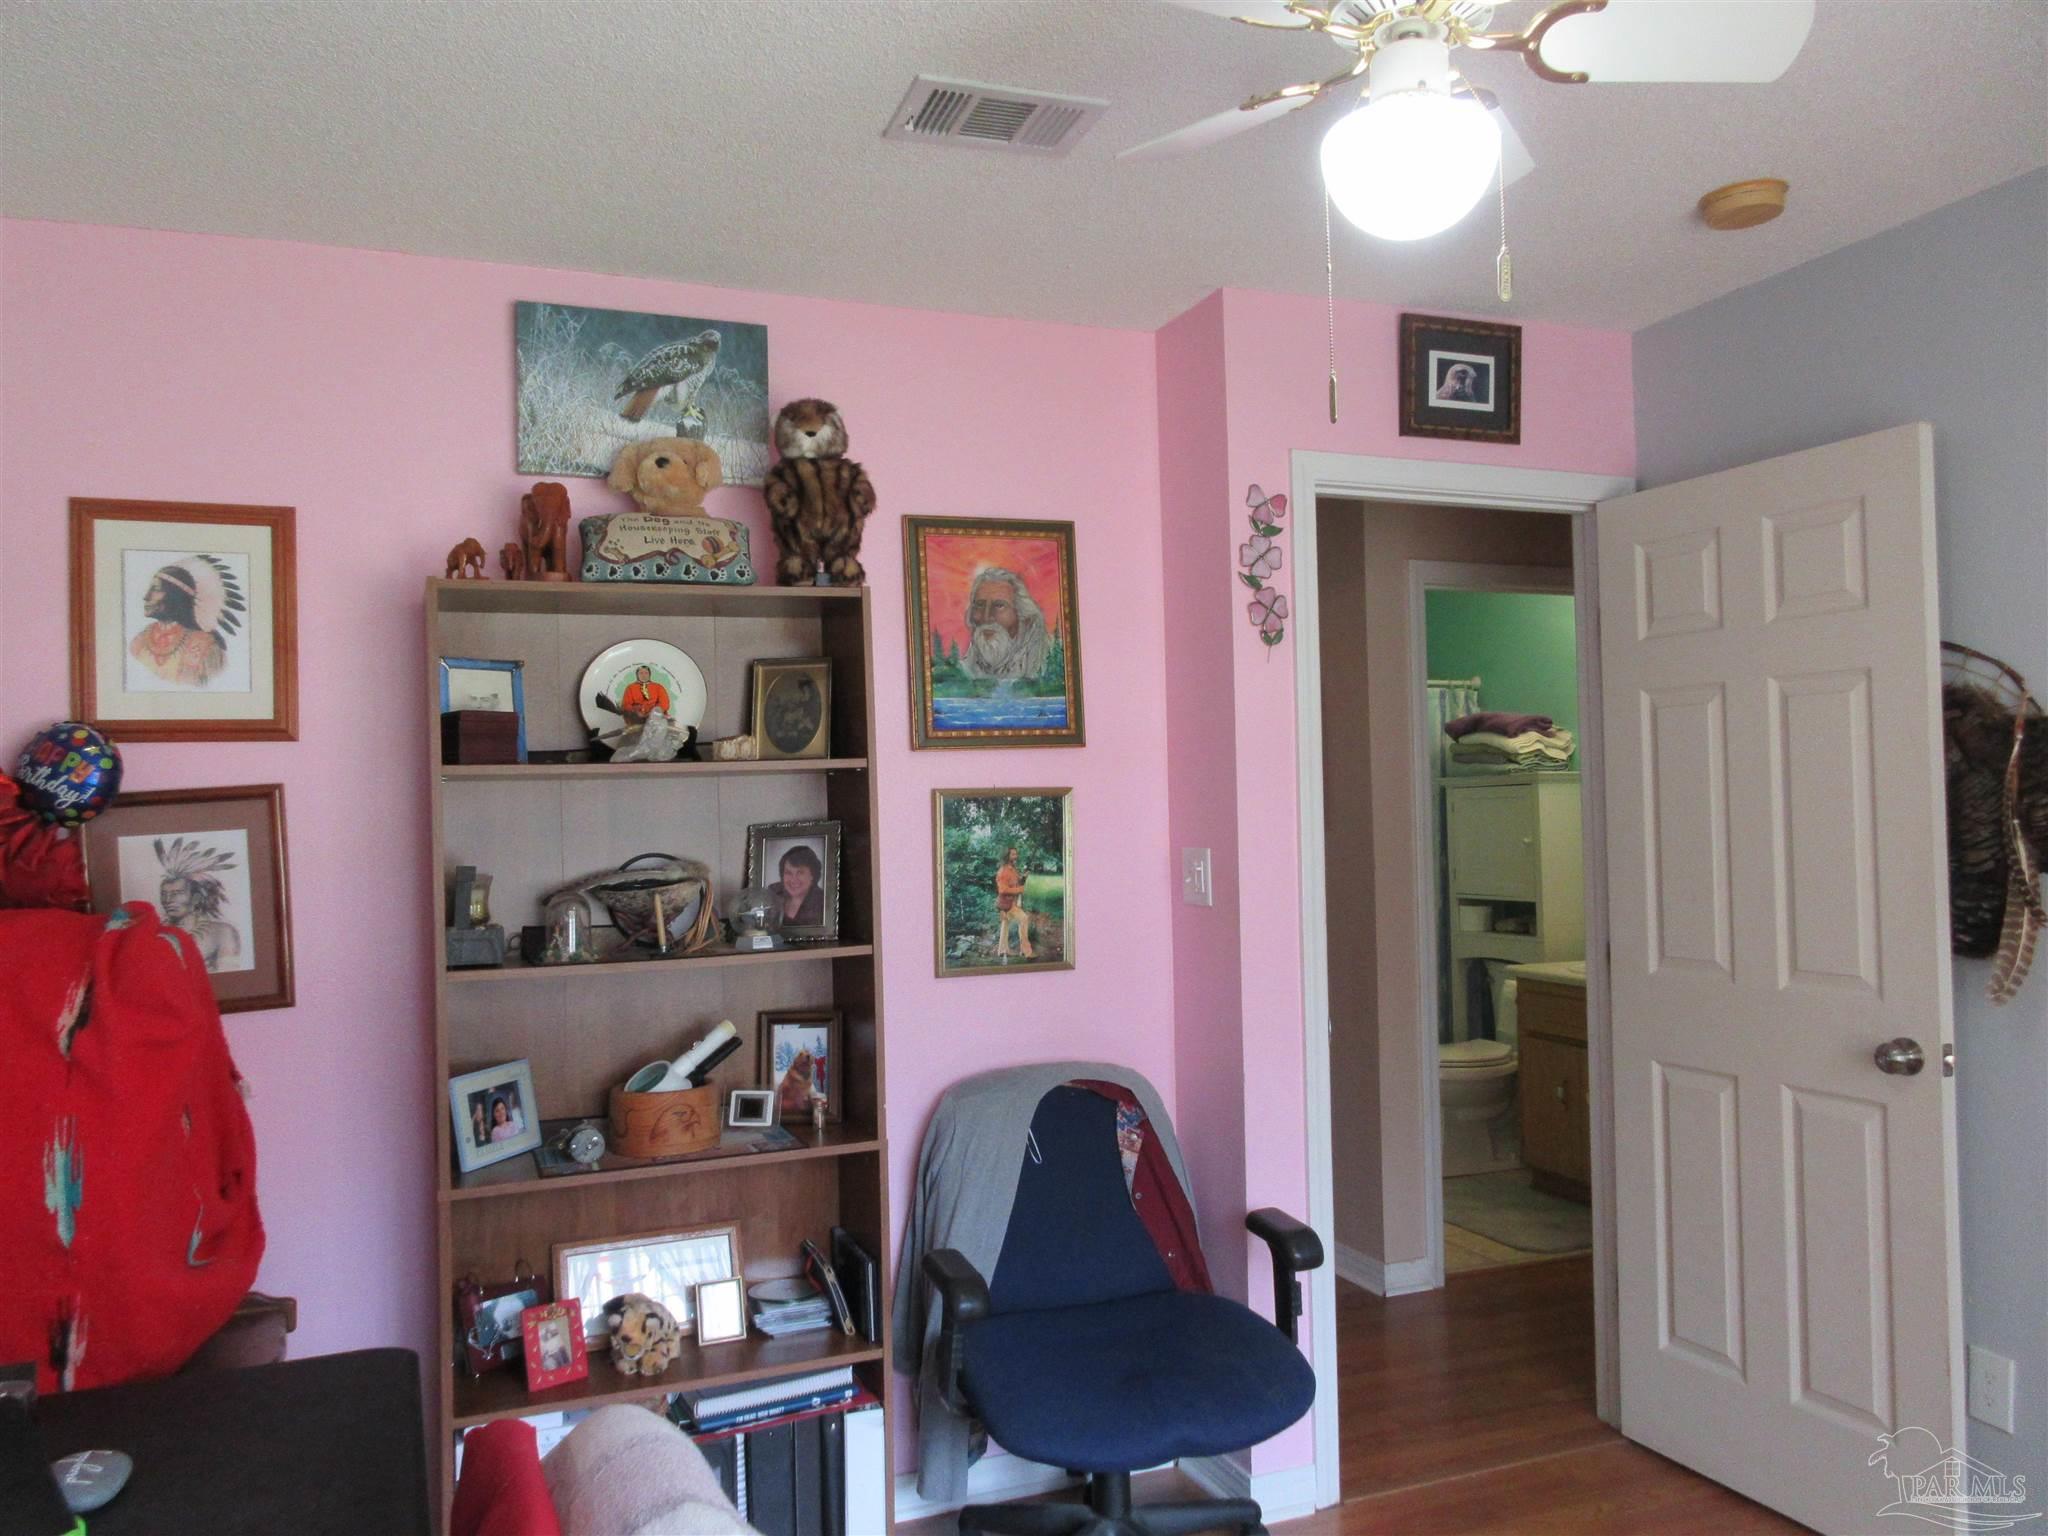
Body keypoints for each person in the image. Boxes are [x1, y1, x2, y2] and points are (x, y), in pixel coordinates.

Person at [128, 555, 245, 687]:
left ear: (176, 597)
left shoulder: (205, 646)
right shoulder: (139, 641)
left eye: (156, 589)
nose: (146, 597)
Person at [153, 836, 243, 972]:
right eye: (164, 894)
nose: (168, 900)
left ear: (195, 898)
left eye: (176, 893)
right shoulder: (154, 933)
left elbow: (231, 976)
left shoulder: (223, 932)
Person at [959, 566, 1052, 683]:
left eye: (999, 606)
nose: (986, 617)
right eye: (980, 605)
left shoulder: (1047, 667)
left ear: (1023, 616)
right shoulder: (962, 671)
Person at [993, 846, 1034, 960]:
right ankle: (1027, 952)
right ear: (1007, 856)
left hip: (1011, 902)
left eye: (1016, 854)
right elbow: (1002, 890)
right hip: (1006, 903)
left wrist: (1023, 878)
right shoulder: (1003, 871)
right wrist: (1019, 890)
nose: (1016, 856)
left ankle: (1002, 950)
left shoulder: (1012, 869)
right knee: (1024, 919)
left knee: (1005, 924)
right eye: (1013, 854)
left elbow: (1016, 883)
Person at [771, 844, 826, 927]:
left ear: (812, 875)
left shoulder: (823, 902)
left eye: (800, 873)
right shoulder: (772, 893)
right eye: (788, 873)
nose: (793, 879)